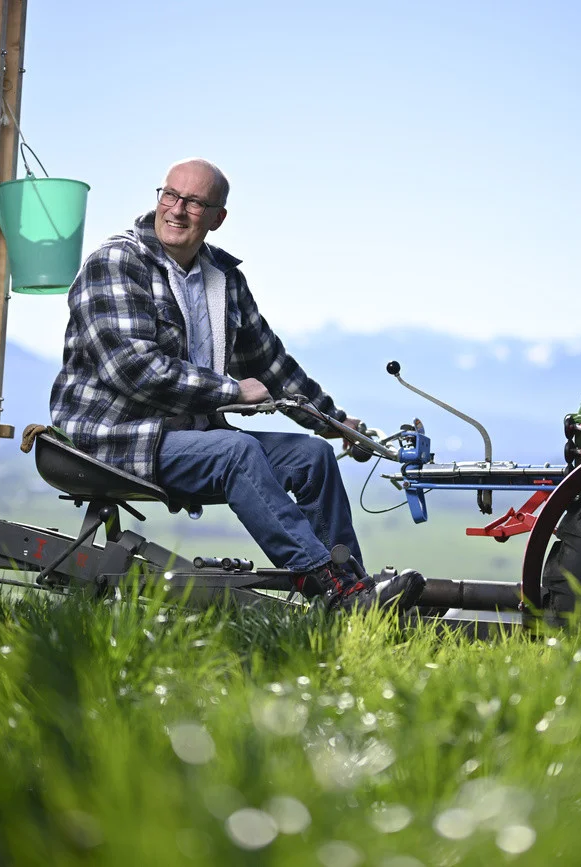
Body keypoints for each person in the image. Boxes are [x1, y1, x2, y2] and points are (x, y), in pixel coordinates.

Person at [50, 158, 423, 613]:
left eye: (194, 202)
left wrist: (335, 423)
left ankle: (358, 594)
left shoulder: (222, 279)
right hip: (115, 437)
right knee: (234, 451)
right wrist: (231, 392)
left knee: (313, 458)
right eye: (170, 195)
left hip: (189, 437)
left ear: (217, 218)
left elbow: (269, 364)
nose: (176, 210)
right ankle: (333, 590)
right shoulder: (116, 262)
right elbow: (133, 369)